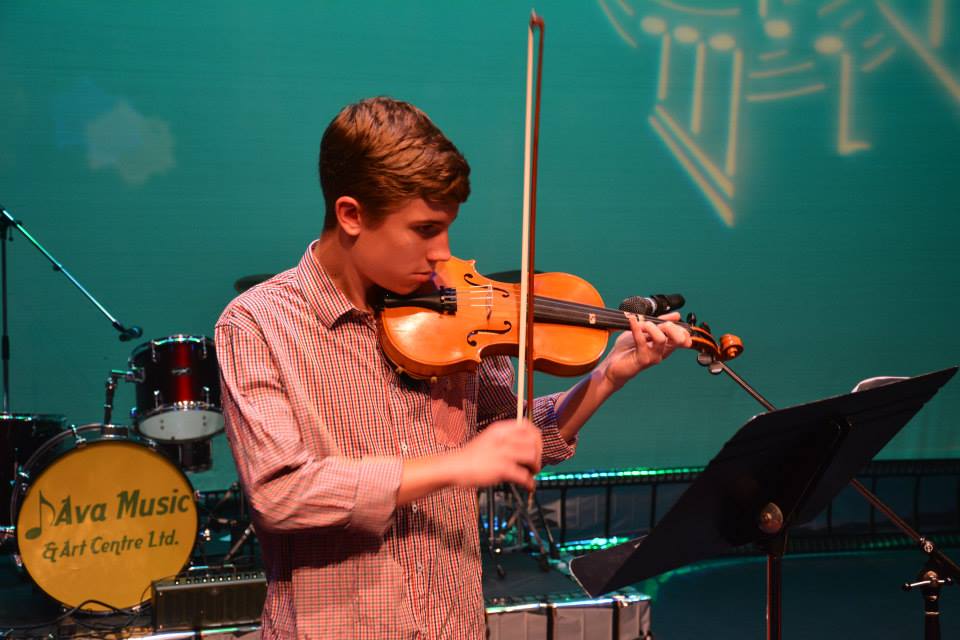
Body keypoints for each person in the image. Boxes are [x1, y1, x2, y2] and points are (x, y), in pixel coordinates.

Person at [214, 96, 691, 639]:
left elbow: (507, 438)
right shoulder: (258, 324)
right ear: (351, 215)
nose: (444, 253)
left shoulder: (452, 308)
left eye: (447, 228)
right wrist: (456, 464)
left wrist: (606, 377)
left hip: (454, 623)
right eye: (424, 229)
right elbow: (281, 494)